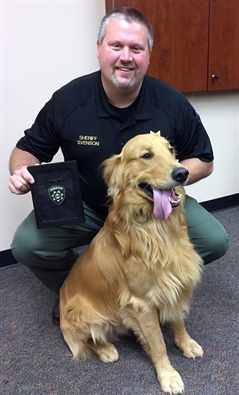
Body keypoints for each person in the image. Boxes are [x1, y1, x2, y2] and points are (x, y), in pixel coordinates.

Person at [8, 7, 228, 325]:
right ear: (99, 49)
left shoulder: (171, 102)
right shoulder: (69, 100)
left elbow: (203, 161)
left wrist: (167, 178)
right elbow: (27, 150)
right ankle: (82, 290)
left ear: (148, 55)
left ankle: (149, 286)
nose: (126, 56)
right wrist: (21, 172)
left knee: (214, 239)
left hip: (153, 204)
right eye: (116, 46)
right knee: (28, 245)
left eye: (136, 48)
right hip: (84, 206)